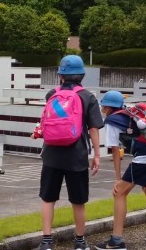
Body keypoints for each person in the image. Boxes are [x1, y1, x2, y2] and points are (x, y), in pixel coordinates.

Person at [33, 54, 103, 250]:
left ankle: (46, 241)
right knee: (78, 201)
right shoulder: (87, 96)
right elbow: (93, 129)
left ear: (60, 75)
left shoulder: (51, 95)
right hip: (77, 156)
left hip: (51, 155)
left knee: (48, 198)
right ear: (81, 75)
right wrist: (96, 155)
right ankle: (80, 242)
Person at [95, 90, 146, 249]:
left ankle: (116, 240)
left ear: (108, 108)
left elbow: (115, 151)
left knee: (120, 192)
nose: (102, 110)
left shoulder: (112, 120)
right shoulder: (131, 114)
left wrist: (118, 179)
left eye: (103, 107)